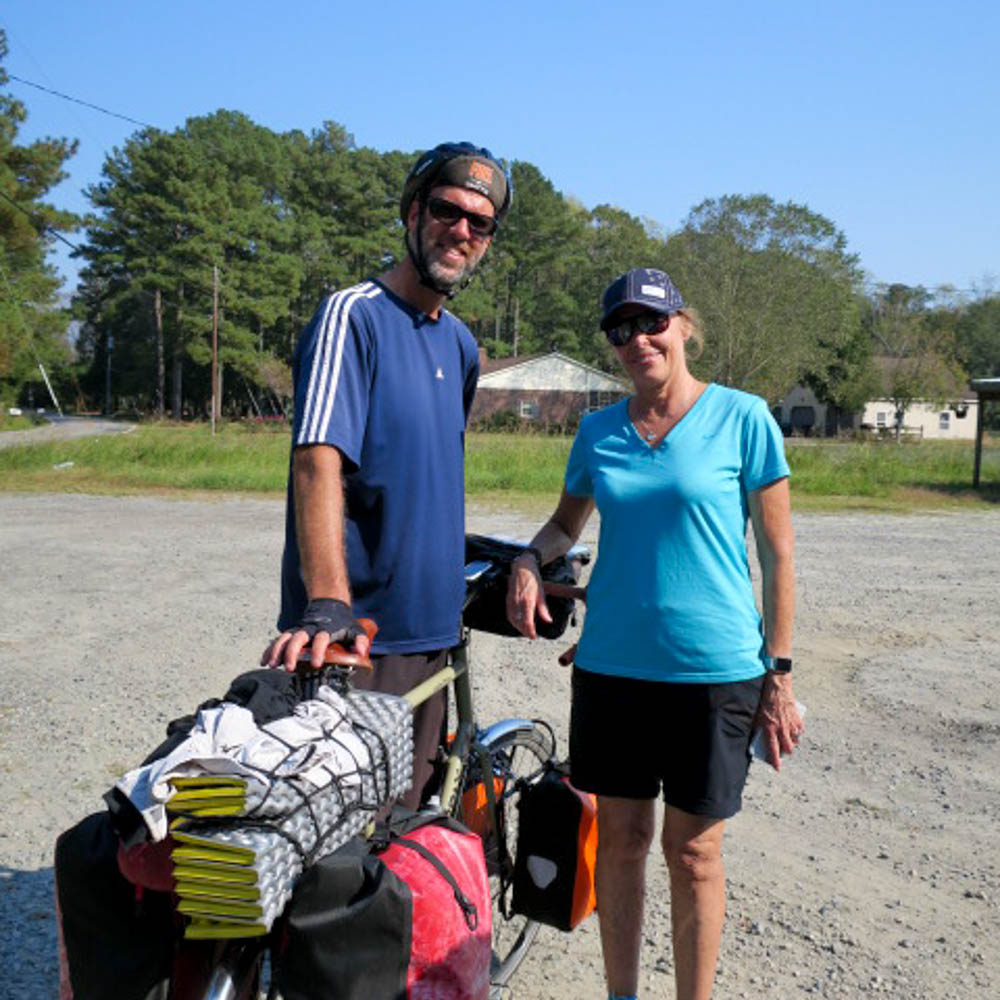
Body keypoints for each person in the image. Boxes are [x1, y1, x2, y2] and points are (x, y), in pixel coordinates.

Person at [505, 268, 802, 1000]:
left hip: (716, 673)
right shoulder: (598, 431)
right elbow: (564, 525)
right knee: (622, 844)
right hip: (612, 670)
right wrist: (525, 559)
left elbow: (777, 553)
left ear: (684, 325)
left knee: (694, 853)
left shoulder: (743, 418)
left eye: (652, 322)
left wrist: (781, 672)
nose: (638, 339)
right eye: (621, 330)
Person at [262, 141, 511, 809]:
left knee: (412, 822)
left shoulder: (460, 344)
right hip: (361, 639)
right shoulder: (354, 317)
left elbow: (423, 472)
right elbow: (317, 460)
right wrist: (329, 604)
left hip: (435, 630)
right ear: (410, 212)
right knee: (345, 836)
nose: (460, 231)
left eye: (479, 223)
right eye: (445, 210)